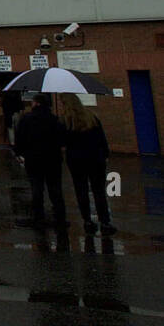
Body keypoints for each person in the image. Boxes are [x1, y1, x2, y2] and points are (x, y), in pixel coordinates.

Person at [59, 94, 117, 235]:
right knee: (99, 191)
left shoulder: (65, 121)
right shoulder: (92, 117)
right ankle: (105, 222)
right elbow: (101, 138)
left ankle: (87, 221)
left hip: (76, 160)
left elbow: (62, 142)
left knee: (81, 190)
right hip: (95, 158)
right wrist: (105, 155)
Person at [13, 93, 67, 228]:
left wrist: (19, 153)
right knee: (55, 190)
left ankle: (38, 218)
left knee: (37, 189)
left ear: (36, 103)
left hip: (33, 159)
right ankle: (61, 218)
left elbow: (19, 139)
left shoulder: (26, 119)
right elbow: (62, 140)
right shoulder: (54, 119)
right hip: (53, 159)